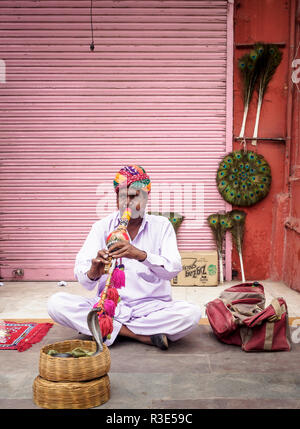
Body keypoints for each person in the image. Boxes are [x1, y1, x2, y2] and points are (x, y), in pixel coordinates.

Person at [47, 165, 201, 350]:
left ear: (145, 198)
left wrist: (140, 255)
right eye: (122, 196)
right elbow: (83, 278)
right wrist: (93, 272)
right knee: (56, 304)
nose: (127, 202)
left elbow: (173, 269)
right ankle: (139, 335)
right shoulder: (101, 226)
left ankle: (104, 329)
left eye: (134, 196)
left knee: (191, 314)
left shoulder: (162, 226)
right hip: (109, 306)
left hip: (151, 308)